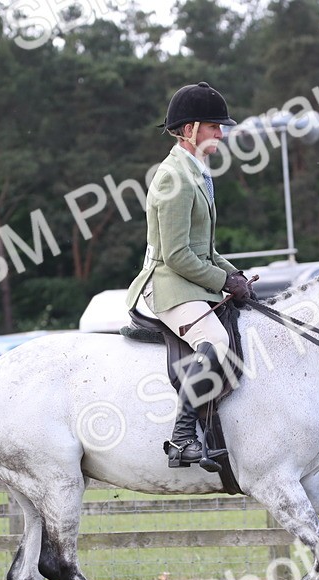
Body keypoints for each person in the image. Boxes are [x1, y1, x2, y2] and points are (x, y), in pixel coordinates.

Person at [125, 81, 255, 471]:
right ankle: (182, 437)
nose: (221, 134)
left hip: (189, 279)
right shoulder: (173, 178)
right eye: (215, 126)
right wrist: (222, 282)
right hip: (166, 283)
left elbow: (206, 250)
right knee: (214, 340)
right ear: (190, 129)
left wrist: (236, 276)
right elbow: (177, 255)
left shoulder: (197, 172)